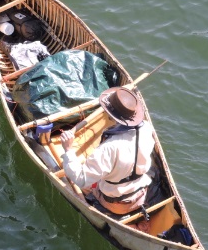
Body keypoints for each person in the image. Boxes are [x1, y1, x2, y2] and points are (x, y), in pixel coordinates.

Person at [60, 86, 155, 215]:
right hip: (141, 193)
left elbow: (80, 179)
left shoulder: (109, 148)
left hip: (115, 203)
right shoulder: (147, 128)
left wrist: (68, 149)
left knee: (82, 181)